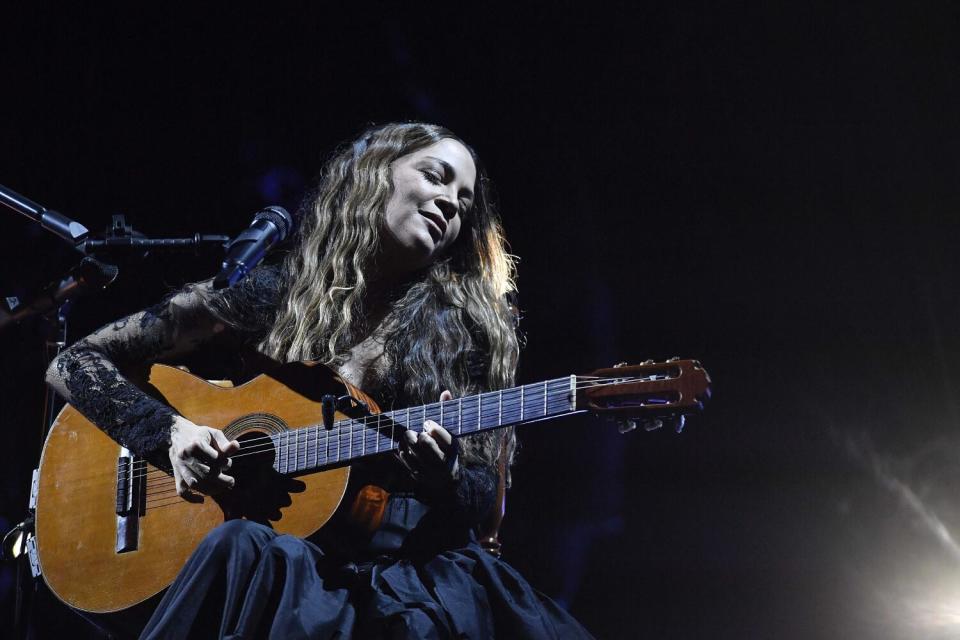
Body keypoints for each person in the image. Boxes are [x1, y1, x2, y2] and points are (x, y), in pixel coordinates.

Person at [46, 122, 593, 639]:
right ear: (375, 174)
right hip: (261, 556)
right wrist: (168, 436)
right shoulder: (273, 293)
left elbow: (480, 497)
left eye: (464, 202)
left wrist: (444, 473)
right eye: (435, 176)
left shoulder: (466, 333)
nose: (451, 202)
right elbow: (75, 363)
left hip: (389, 580)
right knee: (244, 547)